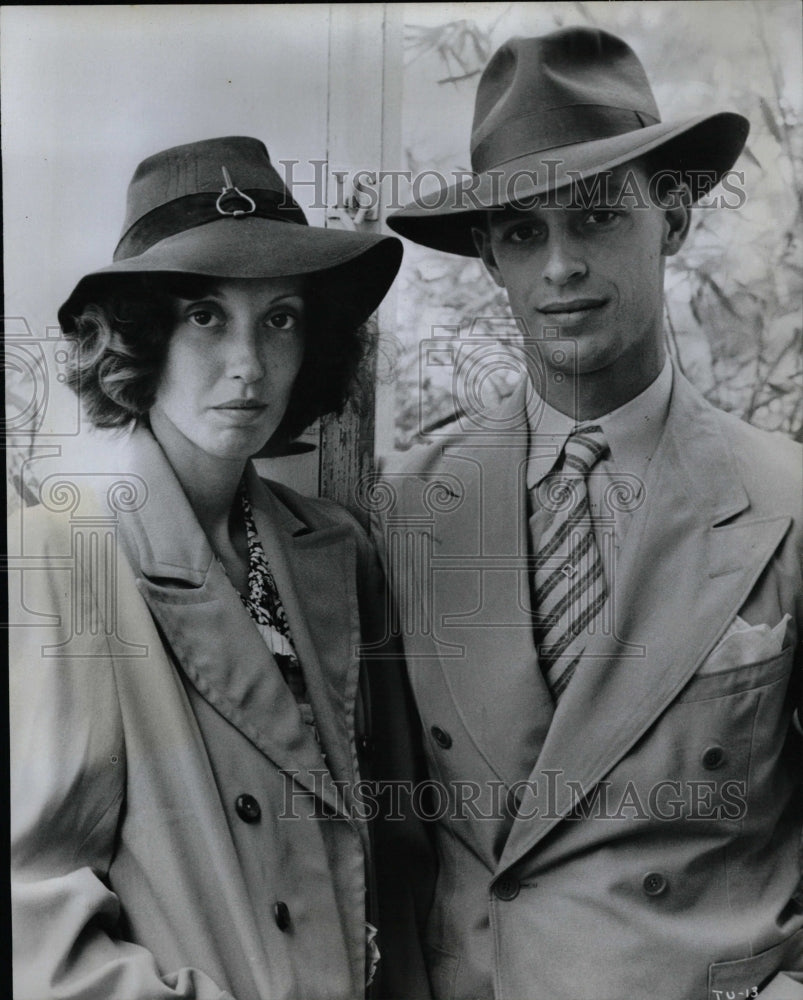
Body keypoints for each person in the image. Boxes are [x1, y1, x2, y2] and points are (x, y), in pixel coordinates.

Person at [378, 27, 803, 1000]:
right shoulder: (408, 507)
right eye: (523, 233)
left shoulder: (784, 501)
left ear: (674, 215)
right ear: (488, 257)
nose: (560, 265)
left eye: (597, 216)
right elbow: (392, 835)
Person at [10, 135, 433, 1000]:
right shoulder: (66, 550)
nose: (248, 366)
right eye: (206, 315)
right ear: (142, 334)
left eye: (279, 318)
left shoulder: (334, 549)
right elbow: (30, 914)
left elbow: (391, 854)